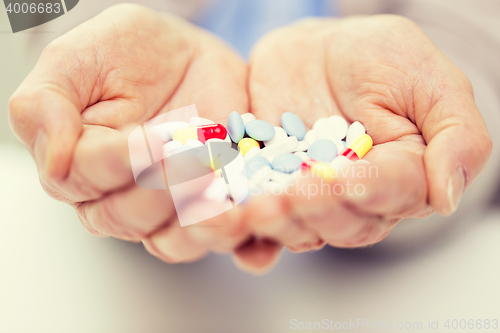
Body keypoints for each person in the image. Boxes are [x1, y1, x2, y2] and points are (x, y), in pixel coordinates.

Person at [7, 1, 495, 274]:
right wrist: (85, 44)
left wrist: (444, 98)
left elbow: (479, 31)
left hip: (393, 274)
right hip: (133, 277)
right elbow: (36, 11)